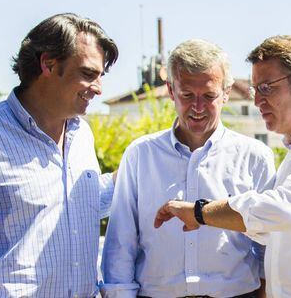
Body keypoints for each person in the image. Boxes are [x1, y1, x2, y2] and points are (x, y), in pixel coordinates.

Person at [154, 35, 291, 297]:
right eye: (254, 90)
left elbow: (281, 208)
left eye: (266, 88)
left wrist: (200, 212)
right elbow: (271, 230)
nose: (257, 101)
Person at [0, 13, 119, 297]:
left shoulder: (82, 134)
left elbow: (80, 201)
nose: (98, 89)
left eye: (100, 76)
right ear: (48, 63)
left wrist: (134, 173)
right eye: (88, 74)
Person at [101, 39, 275, 298]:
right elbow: (121, 245)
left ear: (226, 93)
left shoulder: (255, 156)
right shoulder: (140, 155)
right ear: (171, 90)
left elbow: (268, 247)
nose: (197, 107)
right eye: (187, 95)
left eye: (209, 96)